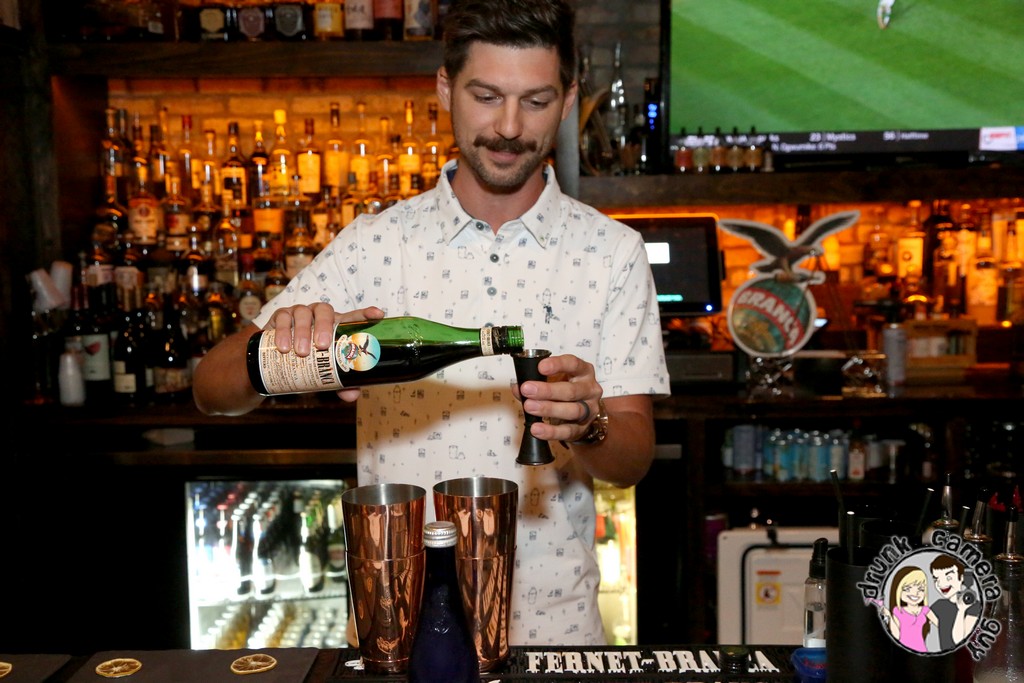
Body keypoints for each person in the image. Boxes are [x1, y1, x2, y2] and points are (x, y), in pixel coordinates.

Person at [193, 0, 669, 647]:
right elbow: (211, 389)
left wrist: (589, 423)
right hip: (401, 631)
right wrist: (281, 350)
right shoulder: (375, 244)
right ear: (445, 88)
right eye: (486, 96)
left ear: (566, 101)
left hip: (554, 631)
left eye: (534, 101)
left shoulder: (612, 252)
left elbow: (633, 457)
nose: (508, 127)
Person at [929, 554, 981, 650]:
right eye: (936, 579)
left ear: (961, 578)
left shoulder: (974, 606)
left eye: (948, 577)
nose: (941, 584)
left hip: (964, 656)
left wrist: (961, 610)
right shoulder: (939, 605)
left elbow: (959, 641)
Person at [885, 565, 938, 652]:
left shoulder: (925, 610)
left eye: (920, 589)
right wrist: (889, 616)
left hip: (921, 650)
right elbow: (896, 636)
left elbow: (941, 625)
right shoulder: (897, 611)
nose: (915, 593)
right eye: (907, 588)